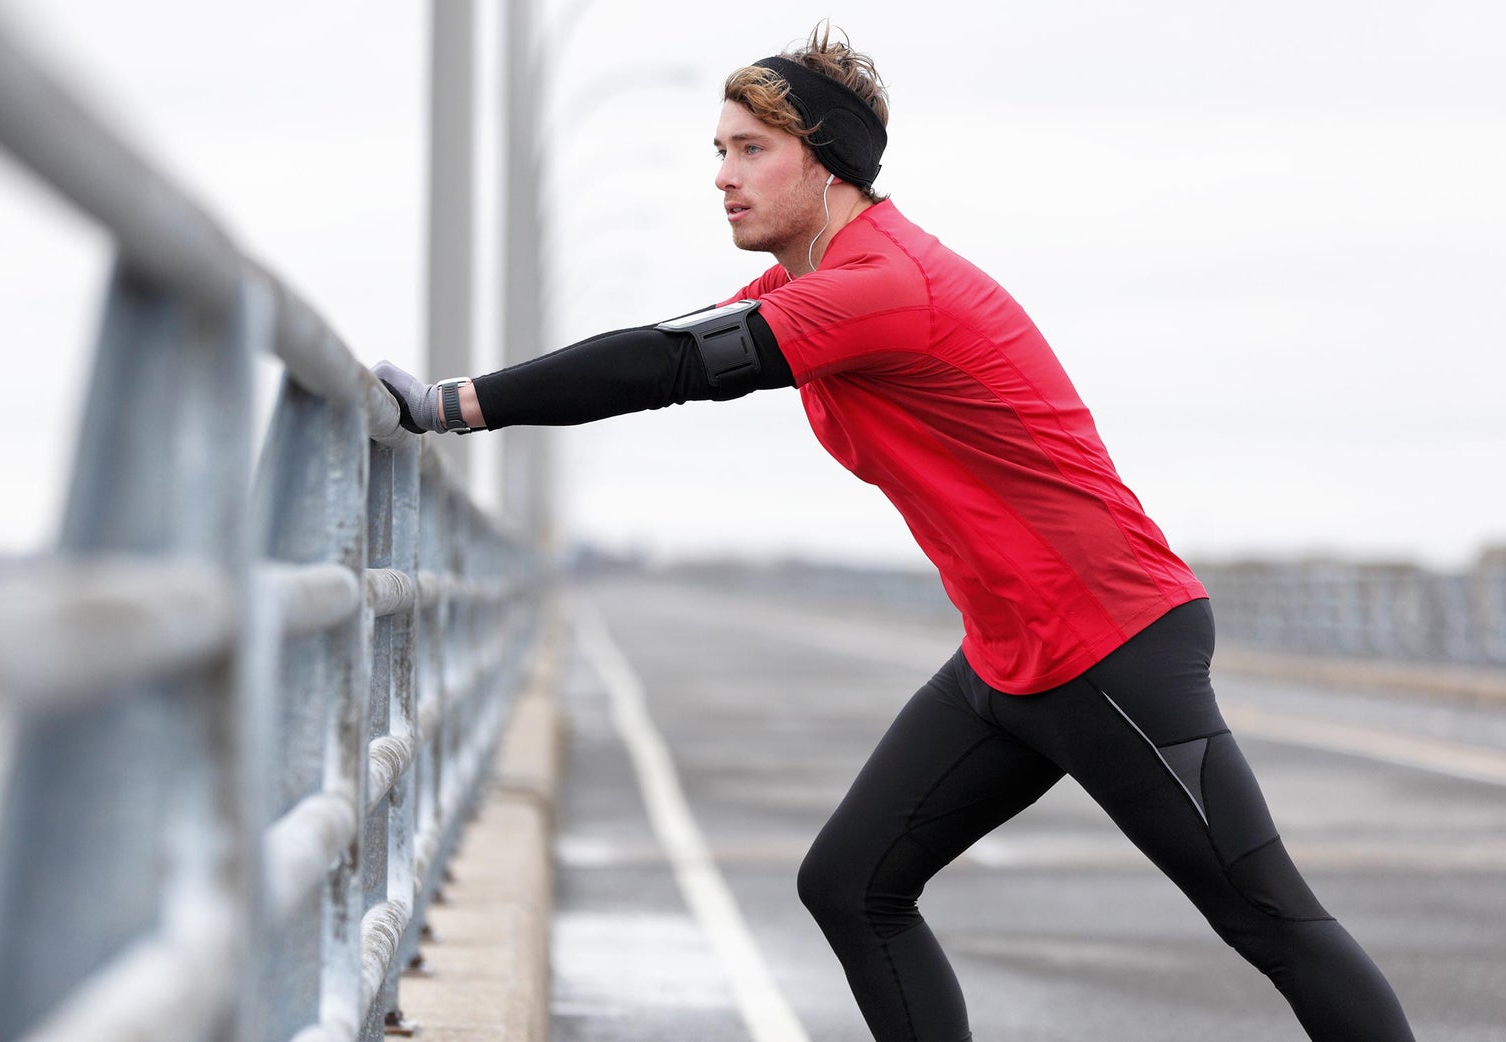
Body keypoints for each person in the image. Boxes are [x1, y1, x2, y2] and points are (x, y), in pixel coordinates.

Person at [373, 24, 1415, 1042]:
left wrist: (453, 405)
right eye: (718, 151)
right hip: (1012, 659)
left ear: (825, 165)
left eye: (750, 150)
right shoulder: (815, 286)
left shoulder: (883, 289)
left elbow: (666, 365)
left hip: (1110, 642)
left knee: (1268, 919)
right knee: (851, 882)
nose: (723, 176)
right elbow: (661, 348)